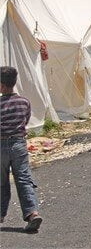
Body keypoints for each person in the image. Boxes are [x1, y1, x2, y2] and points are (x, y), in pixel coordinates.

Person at [0, 66, 43, 232]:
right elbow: (25, 121)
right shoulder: (24, 102)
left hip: (1, 145)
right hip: (19, 144)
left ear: (2, 86)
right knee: (24, 179)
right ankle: (32, 213)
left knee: (2, 182)